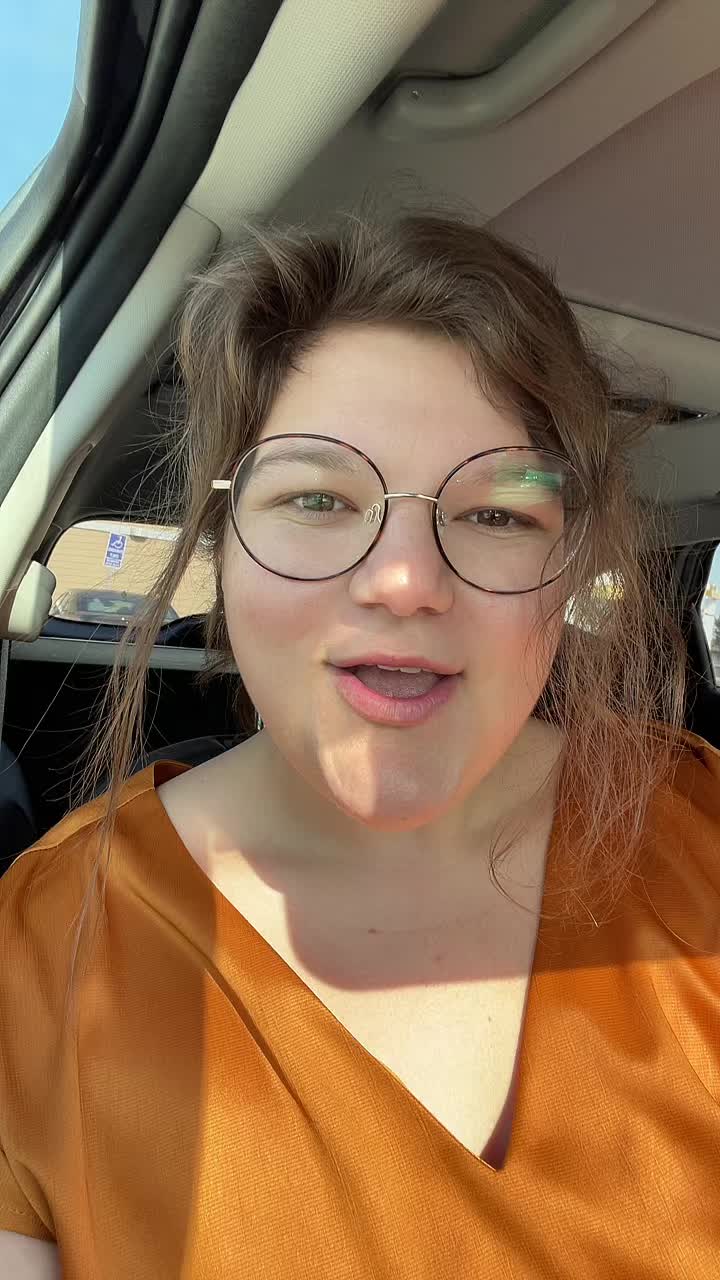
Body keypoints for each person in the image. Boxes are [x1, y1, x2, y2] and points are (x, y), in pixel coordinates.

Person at [1, 213, 718, 1279]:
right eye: (318, 498)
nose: (404, 581)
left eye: (496, 515)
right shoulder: (45, 946)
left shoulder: (703, 836)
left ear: (568, 563)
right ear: (224, 539)